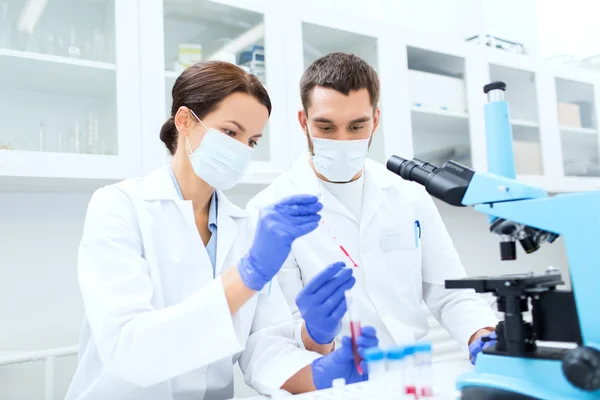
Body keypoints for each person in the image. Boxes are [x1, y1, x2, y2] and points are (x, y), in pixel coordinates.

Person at [66, 61, 379, 400]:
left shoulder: (244, 228)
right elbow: (129, 350)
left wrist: (319, 360)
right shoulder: (119, 206)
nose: (241, 150)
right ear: (184, 121)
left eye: (252, 141)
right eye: (231, 132)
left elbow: (263, 349)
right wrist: (248, 274)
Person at [246, 53, 498, 363]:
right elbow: (274, 337)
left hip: (412, 379)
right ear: (304, 121)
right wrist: (315, 335)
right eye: (326, 128)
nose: (341, 140)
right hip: (328, 385)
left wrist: (480, 333)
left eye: (356, 127)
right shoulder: (269, 210)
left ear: (375, 120)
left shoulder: (410, 196)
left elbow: (450, 292)